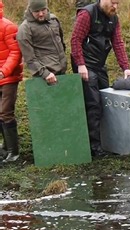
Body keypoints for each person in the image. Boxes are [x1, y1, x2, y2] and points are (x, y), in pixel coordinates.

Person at [71, 0, 130, 157]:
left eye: (118, 4)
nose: (115, 7)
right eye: (113, 3)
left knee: (106, 100)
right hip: (85, 64)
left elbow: (117, 43)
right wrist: (80, 64)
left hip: (99, 64)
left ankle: (106, 141)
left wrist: (125, 67)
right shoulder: (87, 14)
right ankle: (94, 147)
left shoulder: (114, 18)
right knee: (93, 104)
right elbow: (75, 40)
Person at [17, 0, 67, 85]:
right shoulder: (25, 28)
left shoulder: (54, 20)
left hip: (62, 72)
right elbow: (29, 57)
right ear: (30, 10)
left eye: (43, 10)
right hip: (44, 77)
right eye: (36, 11)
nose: (40, 14)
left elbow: (61, 43)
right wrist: (45, 73)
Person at [0, 0, 24, 163]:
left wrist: (3, 72)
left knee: (5, 112)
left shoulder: (8, 26)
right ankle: (5, 148)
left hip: (8, 77)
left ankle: (13, 152)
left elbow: (16, 52)